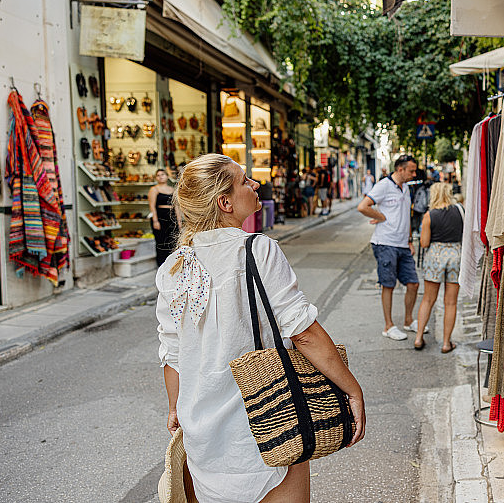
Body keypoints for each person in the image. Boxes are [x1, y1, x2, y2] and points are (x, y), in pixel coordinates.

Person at [157, 154, 366, 503]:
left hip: (202, 437)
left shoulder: (173, 268)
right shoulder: (257, 250)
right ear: (225, 202)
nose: (255, 184)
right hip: (267, 425)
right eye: (244, 181)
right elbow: (303, 332)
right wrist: (353, 389)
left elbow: (172, 353)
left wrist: (174, 408)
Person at [357, 155, 420, 341]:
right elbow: (363, 206)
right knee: (388, 285)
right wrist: (381, 216)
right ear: (400, 169)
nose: (414, 174)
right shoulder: (384, 185)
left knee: (413, 284)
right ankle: (388, 326)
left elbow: (406, 215)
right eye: (411, 171)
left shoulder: (406, 188)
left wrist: (409, 240)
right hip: (385, 243)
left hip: (402, 244)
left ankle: (408, 321)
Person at [413, 183, 463, 353]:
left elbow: (424, 243)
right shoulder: (460, 210)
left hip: (435, 256)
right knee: (450, 302)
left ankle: (419, 338)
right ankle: (446, 343)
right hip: (456, 254)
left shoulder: (429, 215)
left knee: (428, 299)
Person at [148, 168, 181, 266]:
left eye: (163, 174)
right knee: (161, 241)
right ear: (156, 178)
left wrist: (179, 221)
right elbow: (152, 206)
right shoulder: (154, 189)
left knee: (172, 240)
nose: (161, 176)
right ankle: (161, 264)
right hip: (160, 216)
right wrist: (155, 220)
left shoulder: (172, 189)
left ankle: (172, 264)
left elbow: (176, 206)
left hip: (171, 216)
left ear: (167, 176)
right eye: (158, 175)